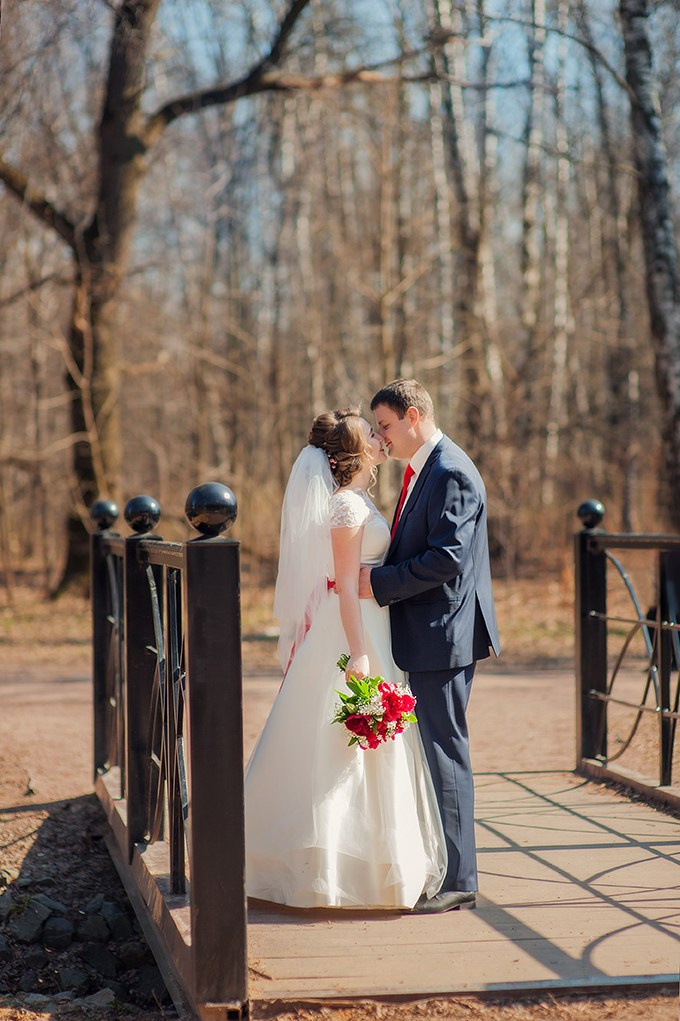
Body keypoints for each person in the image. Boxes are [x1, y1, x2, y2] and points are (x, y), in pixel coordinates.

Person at [244, 408, 446, 910]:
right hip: (353, 632)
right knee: (342, 745)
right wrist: (358, 654)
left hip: (374, 625)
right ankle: (326, 872)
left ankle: (378, 866)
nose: (382, 439)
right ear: (357, 452)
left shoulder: (358, 501)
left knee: (370, 747)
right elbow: (342, 589)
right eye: (372, 435)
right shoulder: (346, 509)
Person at [359, 379, 500, 914]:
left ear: (413, 415)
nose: (381, 436)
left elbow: (447, 559)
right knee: (433, 748)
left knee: (445, 750)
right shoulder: (426, 467)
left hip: (444, 634)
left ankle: (460, 877)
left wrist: (380, 583)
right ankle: (440, 863)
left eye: (387, 425)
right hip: (427, 630)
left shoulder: (452, 471)